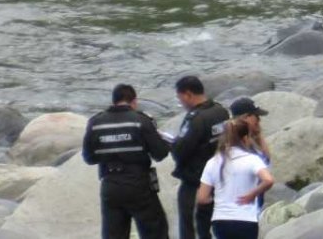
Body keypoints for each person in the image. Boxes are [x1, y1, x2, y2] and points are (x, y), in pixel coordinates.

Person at [81, 83, 171, 239]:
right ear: (134, 101)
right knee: (155, 230)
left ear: (113, 101)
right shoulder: (141, 120)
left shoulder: (95, 123)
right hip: (139, 185)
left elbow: (89, 158)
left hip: (110, 185)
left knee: (114, 234)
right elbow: (160, 153)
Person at [171, 76, 230, 239]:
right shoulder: (221, 111)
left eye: (180, 97)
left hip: (196, 183)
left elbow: (180, 151)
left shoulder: (195, 119)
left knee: (193, 229)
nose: (180, 102)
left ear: (188, 94)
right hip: (221, 180)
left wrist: (174, 143)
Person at [197, 119, 274, 239]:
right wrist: (252, 194)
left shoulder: (213, 162)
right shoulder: (252, 159)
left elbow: (202, 198)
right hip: (246, 219)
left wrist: (218, 199)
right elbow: (268, 180)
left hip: (221, 220)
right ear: (245, 138)